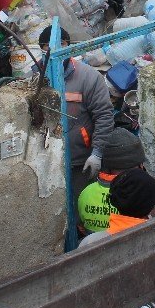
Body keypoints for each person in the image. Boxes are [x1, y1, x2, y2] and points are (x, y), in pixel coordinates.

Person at [38, 26, 114, 203]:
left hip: (80, 161)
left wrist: (97, 153)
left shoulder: (88, 77)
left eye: (61, 44)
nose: (52, 50)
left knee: (80, 205)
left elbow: (104, 116)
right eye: (45, 46)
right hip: (47, 160)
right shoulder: (36, 75)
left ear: (68, 45)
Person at [76, 128, 144, 234]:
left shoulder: (85, 193)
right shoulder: (144, 192)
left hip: (92, 247)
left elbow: (81, 227)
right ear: (139, 165)